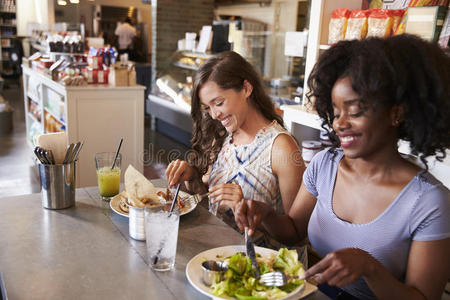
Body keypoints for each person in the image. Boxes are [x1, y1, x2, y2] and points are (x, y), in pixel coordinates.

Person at [234, 34, 450, 300]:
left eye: (354, 111)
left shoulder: (429, 201)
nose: (339, 123)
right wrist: (265, 213)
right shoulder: (325, 165)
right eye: (336, 112)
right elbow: (293, 232)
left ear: (397, 113)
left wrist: (368, 267)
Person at [165, 51, 305, 246]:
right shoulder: (222, 135)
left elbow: (295, 234)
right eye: (208, 108)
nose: (214, 115)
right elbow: (212, 205)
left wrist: (251, 209)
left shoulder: (281, 147)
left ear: (246, 88)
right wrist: (192, 177)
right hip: (217, 251)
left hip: (259, 267)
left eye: (219, 103)